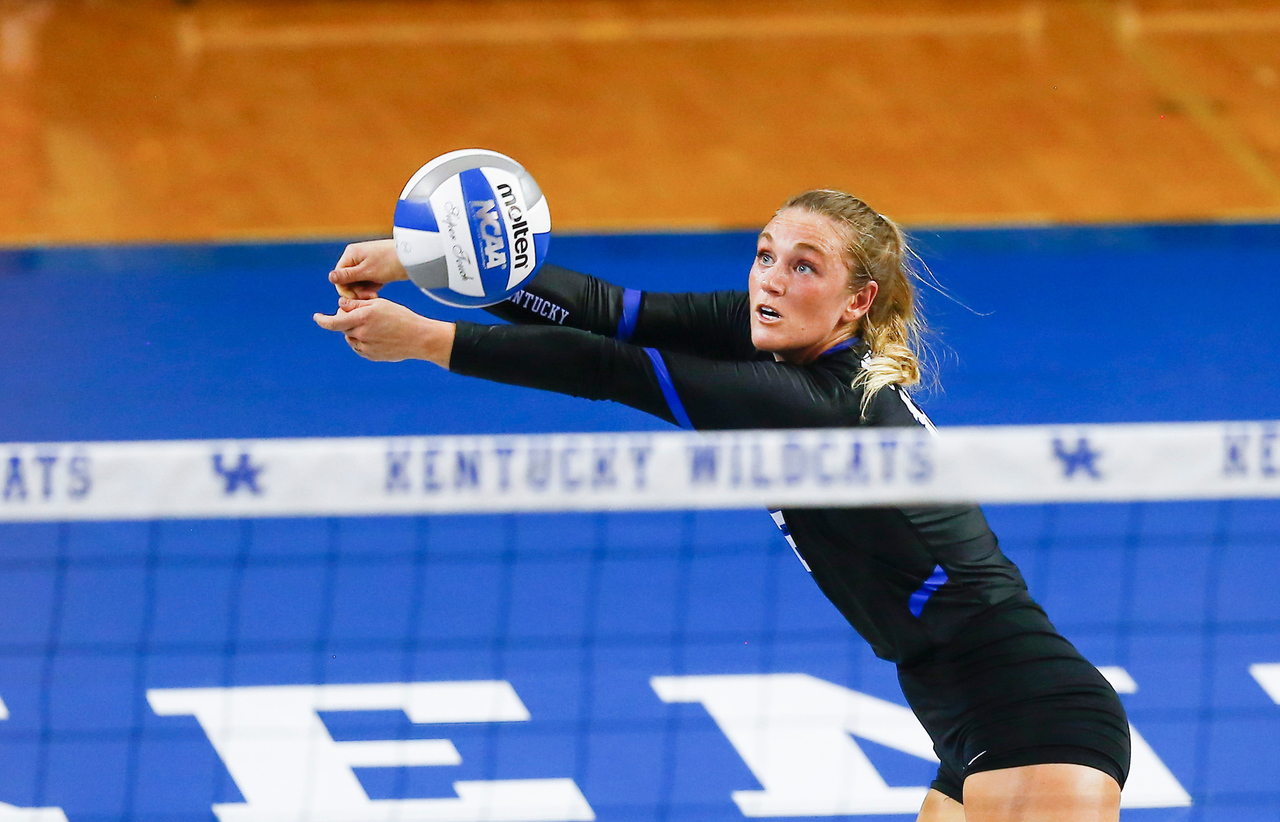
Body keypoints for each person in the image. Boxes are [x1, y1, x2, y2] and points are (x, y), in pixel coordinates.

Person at [313, 189, 1130, 822]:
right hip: (963, 714)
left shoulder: (822, 407)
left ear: (856, 301)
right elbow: (610, 312)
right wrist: (428, 258)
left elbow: (612, 367)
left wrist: (427, 339)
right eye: (765, 254)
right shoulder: (773, 331)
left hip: (1030, 716)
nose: (771, 279)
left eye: (804, 266)